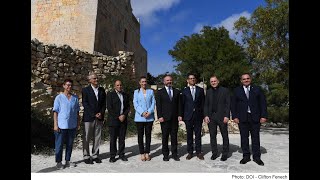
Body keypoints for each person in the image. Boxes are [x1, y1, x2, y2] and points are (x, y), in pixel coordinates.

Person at [231, 73, 268, 166]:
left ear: (250, 79)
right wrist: (234, 117)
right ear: (241, 81)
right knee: (244, 138)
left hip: (255, 117)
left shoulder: (257, 89)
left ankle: (257, 157)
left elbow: (263, 103)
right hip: (242, 118)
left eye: (247, 78)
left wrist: (264, 116)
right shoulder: (236, 90)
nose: (246, 80)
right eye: (244, 79)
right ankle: (246, 156)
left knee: (255, 138)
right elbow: (233, 105)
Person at [52, 79, 80, 169]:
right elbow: (55, 112)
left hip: (72, 125)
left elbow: (77, 112)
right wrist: (55, 125)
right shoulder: (59, 98)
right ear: (64, 86)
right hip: (61, 125)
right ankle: (59, 162)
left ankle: (68, 161)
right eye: (67, 85)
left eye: (71, 85)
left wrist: (78, 123)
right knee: (59, 145)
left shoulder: (75, 98)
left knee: (70, 144)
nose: (69, 87)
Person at [203, 75, 230, 161]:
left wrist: (227, 116)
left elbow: (227, 104)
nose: (213, 83)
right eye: (211, 82)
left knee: (224, 135)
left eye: (215, 81)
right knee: (212, 136)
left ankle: (225, 153)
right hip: (211, 117)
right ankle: (214, 153)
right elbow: (206, 105)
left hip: (222, 117)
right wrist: (206, 115)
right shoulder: (208, 91)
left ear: (218, 81)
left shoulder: (225, 90)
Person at [81, 74, 106, 164]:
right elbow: (85, 103)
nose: (96, 79)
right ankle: (86, 156)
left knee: (97, 137)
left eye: (97, 78)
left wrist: (101, 113)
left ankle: (95, 155)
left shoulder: (102, 90)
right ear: (90, 80)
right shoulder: (85, 90)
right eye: (94, 78)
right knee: (86, 137)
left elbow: (104, 104)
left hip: (99, 117)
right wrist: (94, 114)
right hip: (88, 117)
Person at [179, 73, 205, 160]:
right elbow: (181, 104)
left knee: (198, 135)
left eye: (193, 78)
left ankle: (198, 152)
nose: (192, 80)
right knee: (189, 135)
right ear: (187, 80)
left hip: (198, 116)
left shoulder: (200, 90)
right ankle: (190, 152)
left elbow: (203, 103)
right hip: (188, 116)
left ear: (195, 80)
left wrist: (204, 115)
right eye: (190, 78)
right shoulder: (184, 91)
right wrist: (180, 115)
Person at [156, 75, 182, 161]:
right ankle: (165, 155)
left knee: (174, 137)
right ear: (164, 82)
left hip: (174, 118)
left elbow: (179, 105)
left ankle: (174, 154)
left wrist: (180, 115)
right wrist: (159, 116)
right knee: (165, 137)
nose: (169, 82)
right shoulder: (160, 92)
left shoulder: (177, 91)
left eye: (170, 80)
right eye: (167, 80)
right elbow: (158, 106)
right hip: (164, 118)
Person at [106, 80, 130, 163]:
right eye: (117, 85)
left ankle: (121, 154)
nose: (119, 86)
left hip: (123, 120)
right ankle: (112, 156)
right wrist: (118, 116)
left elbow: (128, 107)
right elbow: (110, 108)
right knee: (113, 139)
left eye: (120, 85)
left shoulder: (125, 95)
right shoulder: (110, 95)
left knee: (122, 139)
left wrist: (124, 115)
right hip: (113, 120)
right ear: (114, 86)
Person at [133, 76, 156, 161]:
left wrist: (149, 111)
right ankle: (142, 153)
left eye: (145, 81)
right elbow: (135, 103)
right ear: (139, 83)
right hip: (140, 117)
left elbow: (153, 102)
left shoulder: (151, 91)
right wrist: (142, 112)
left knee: (148, 136)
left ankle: (147, 153)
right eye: (142, 82)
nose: (144, 83)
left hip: (149, 118)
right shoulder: (136, 92)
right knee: (140, 136)